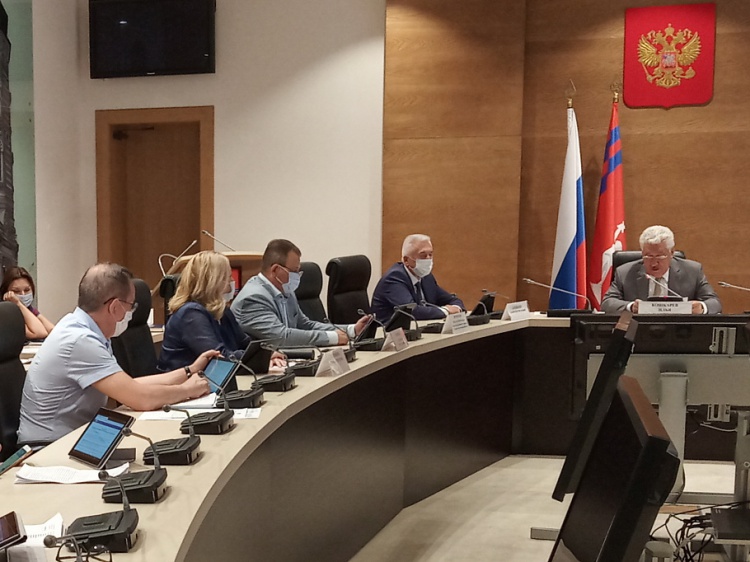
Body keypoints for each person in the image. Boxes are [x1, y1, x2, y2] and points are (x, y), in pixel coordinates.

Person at [17, 263, 213, 445]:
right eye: (131, 305)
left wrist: (188, 371)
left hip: (73, 438)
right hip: (48, 448)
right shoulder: (80, 340)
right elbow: (140, 398)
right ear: (115, 307)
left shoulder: (87, 329)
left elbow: (129, 385)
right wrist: (187, 390)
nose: (131, 312)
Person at [158, 251, 285, 372]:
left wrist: (268, 353)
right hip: (184, 383)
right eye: (227, 277)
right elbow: (219, 358)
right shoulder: (190, 314)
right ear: (212, 281)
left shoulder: (222, 311)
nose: (231, 282)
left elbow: (245, 344)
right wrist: (261, 357)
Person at [231, 239, 371, 347]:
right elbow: (281, 337)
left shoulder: (285, 290)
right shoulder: (253, 298)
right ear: (275, 270)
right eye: (294, 271)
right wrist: (332, 337)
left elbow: (306, 325)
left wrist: (351, 330)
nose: (297, 276)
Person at [601, 225, 721, 314]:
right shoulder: (625, 272)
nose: (654, 263)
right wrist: (631, 307)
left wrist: (701, 307)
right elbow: (607, 303)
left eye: (660, 256)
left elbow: (714, 302)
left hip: (679, 332)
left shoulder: (692, 271)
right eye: (648, 256)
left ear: (672, 253)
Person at [371, 234, 464, 322]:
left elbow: (452, 300)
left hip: (419, 329)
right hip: (388, 332)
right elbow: (412, 311)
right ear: (406, 260)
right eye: (423, 255)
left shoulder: (426, 277)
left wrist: (457, 308)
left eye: (430, 254)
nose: (428, 259)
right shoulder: (394, 278)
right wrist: (446, 311)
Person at [1, 266, 56, 340]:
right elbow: (40, 333)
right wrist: (18, 304)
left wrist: (22, 306)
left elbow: (53, 331)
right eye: (16, 291)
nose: (23, 294)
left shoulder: (30, 310)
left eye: (27, 290)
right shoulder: (6, 315)